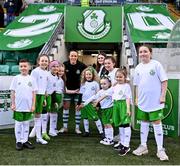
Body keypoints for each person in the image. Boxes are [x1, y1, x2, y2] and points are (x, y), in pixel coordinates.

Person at [132, 45, 169, 161]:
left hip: (155, 101)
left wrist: (162, 95)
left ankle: (160, 149)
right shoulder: (138, 67)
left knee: (157, 123)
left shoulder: (156, 64)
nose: (143, 54)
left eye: (145, 51)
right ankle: (143, 146)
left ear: (150, 53)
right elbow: (137, 85)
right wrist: (137, 98)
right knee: (143, 123)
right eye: (141, 52)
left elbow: (164, 81)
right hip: (143, 101)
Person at [10, 59, 37, 150]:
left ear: (29, 67)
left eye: (25, 66)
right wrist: (13, 104)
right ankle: (18, 141)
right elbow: (13, 92)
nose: (23, 68)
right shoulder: (16, 78)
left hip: (28, 106)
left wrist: (33, 105)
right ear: (19, 68)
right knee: (18, 123)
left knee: (26, 123)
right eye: (21, 66)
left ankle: (25, 140)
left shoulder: (32, 79)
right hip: (18, 106)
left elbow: (34, 94)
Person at [59, 50, 87, 134]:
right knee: (66, 108)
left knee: (77, 108)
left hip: (78, 91)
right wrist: (65, 88)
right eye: (72, 55)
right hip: (67, 90)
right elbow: (62, 76)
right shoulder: (65, 64)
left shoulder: (82, 65)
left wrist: (82, 88)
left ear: (77, 57)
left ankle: (77, 128)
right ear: (69, 56)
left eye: (75, 56)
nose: (73, 57)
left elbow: (87, 75)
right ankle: (65, 127)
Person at [83, 76, 113, 145]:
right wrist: (84, 103)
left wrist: (97, 102)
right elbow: (93, 97)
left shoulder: (111, 90)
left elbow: (105, 95)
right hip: (103, 110)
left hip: (109, 109)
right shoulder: (100, 91)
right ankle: (107, 138)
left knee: (108, 124)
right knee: (105, 124)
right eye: (101, 84)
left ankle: (110, 139)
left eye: (104, 84)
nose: (102, 85)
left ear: (109, 84)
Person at [76, 67, 103, 137]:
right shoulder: (83, 83)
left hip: (91, 103)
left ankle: (101, 132)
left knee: (95, 117)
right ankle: (86, 131)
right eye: (87, 74)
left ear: (93, 75)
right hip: (83, 103)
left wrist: (97, 105)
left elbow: (98, 95)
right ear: (84, 75)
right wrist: (78, 104)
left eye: (90, 74)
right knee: (85, 117)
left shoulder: (96, 84)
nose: (88, 76)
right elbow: (80, 94)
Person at [29, 54, 49, 144]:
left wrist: (44, 98)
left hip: (42, 96)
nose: (44, 62)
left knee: (39, 116)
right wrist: (34, 98)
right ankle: (38, 137)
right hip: (36, 96)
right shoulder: (35, 72)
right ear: (38, 62)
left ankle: (37, 136)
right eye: (42, 61)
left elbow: (44, 87)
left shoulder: (46, 72)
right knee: (37, 117)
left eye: (46, 61)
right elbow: (32, 86)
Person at [112, 67, 132, 156]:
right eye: (117, 77)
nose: (118, 78)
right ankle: (122, 142)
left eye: (120, 77)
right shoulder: (115, 85)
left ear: (125, 77)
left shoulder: (127, 86)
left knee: (125, 124)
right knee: (120, 124)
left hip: (123, 105)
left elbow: (128, 98)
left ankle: (126, 145)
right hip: (116, 105)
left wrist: (128, 109)